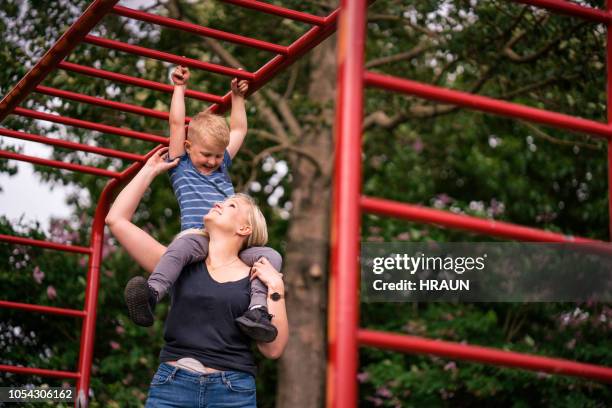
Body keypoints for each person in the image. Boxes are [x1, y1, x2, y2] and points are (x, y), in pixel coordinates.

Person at [105, 147, 288, 407]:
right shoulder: (177, 263)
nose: (217, 202)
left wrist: (276, 288)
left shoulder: (258, 275)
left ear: (244, 228)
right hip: (172, 386)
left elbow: (273, 349)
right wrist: (149, 170)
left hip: (232, 392)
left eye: (230, 204)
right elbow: (116, 220)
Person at [124, 66, 280, 342]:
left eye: (218, 156)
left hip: (233, 242)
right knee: (179, 248)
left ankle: (257, 310)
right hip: (199, 236)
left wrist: (237, 98)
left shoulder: (222, 167)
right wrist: (179, 88)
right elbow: (176, 123)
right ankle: (152, 292)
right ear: (187, 146)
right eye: (206, 155)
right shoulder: (181, 166)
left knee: (271, 256)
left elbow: (239, 129)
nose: (212, 161)